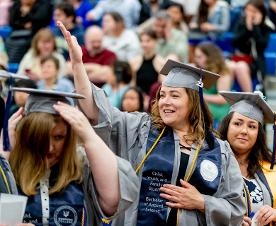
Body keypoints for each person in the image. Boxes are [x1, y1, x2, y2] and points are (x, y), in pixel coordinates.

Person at [57, 21, 246, 226]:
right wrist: (77, 64)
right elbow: (97, 110)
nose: (165, 101)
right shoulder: (140, 129)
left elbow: (235, 210)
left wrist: (202, 202)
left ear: (193, 102)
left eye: (175, 95)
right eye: (162, 95)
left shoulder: (218, 150)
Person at [8, 87, 138, 225]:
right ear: (27, 135)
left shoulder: (82, 167)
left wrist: (88, 135)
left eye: (58, 137)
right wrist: (2, 160)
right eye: (41, 137)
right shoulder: (11, 167)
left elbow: (113, 200)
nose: (49, 148)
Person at [218, 91, 276, 226]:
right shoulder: (211, 162)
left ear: (258, 134)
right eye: (237, 123)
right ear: (227, 126)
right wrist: (230, 218)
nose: (244, 131)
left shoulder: (271, 169)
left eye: (252, 126)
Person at [231, 0, 272, 87]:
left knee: (240, 67)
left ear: (261, 12)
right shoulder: (241, 23)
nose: (250, 14)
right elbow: (235, 43)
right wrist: (247, 29)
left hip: (255, 62)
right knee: (228, 66)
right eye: (248, 10)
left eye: (253, 11)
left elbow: (261, 46)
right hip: (239, 58)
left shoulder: (266, 27)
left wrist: (255, 27)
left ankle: (250, 98)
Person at [193, 42, 232, 125]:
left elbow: (222, 99)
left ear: (210, 57)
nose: (196, 60)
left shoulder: (222, 72)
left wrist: (200, 95)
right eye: (195, 56)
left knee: (193, 106)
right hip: (202, 102)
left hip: (217, 107)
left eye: (199, 57)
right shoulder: (197, 68)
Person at [129, 29, 166, 96]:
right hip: (138, 99)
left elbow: (162, 87)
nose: (144, 44)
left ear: (155, 41)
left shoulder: (161, 63)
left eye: (148, 41)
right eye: (142, 41)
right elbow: (132, 86)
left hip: (154, 98)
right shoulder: (134, 62)